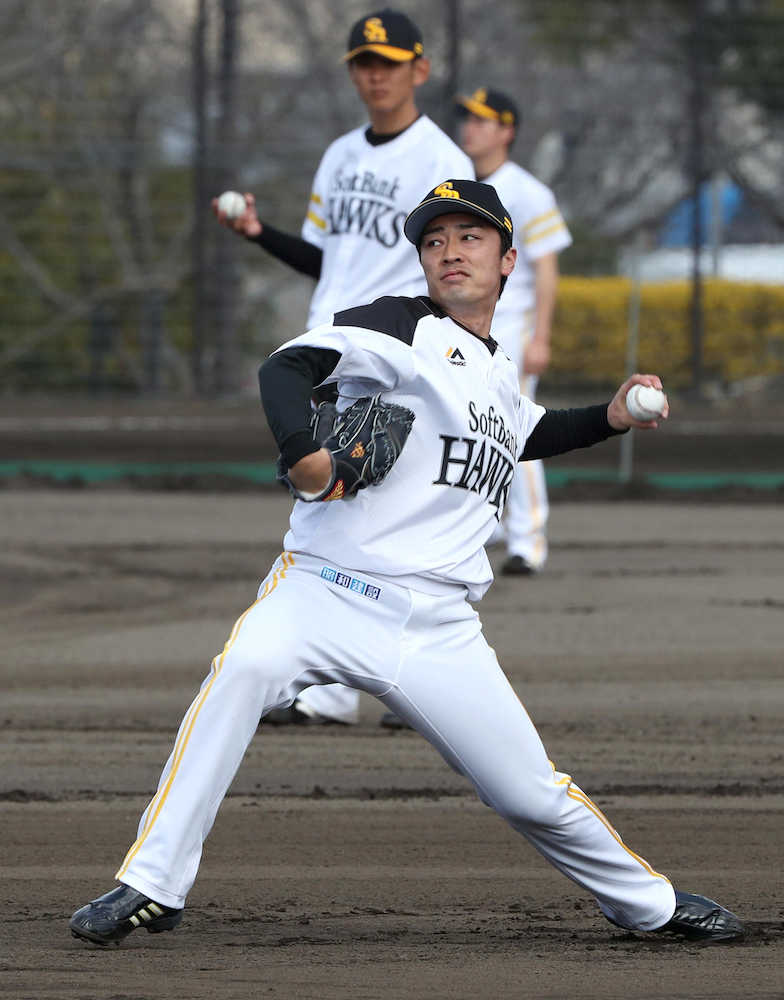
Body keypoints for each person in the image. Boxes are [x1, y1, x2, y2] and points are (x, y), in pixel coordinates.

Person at [69, 178, 743, 948]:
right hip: (324, 589)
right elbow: (284, 371)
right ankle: (151, 883)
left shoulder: (494, 368)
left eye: (470, 237)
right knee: (241, 673)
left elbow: (528, 432)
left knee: (530, 794)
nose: (450, 251)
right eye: (434, 241)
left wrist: (611, 417)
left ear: (507, 259)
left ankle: (649, 904)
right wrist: (307, 457)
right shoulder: (395, 325)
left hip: (439, 628)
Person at [213, 8, 474, 726]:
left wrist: (443, 351)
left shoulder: (440, 160)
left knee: (362, 510)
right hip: (329, 347)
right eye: (364, 62)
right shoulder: (339, 156)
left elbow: (456, 265)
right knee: (342, 511)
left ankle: (371, 681)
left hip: (390, 351)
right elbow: (330, 261)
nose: (375, 75)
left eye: (389, 63)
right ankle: (350, 685)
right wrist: (259, 234)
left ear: (419, 69)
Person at [456, 87, 572, 576]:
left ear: (508, 131)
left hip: (512, 326)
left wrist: (541, 336)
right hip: (463, 326)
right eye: (468, 119)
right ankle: (490, 526)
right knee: (464, 424)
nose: (470, 128)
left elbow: (546, 269)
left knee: (514, 427)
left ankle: (527, 541)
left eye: (483, 121)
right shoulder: (456, 184)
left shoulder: (526, 191)